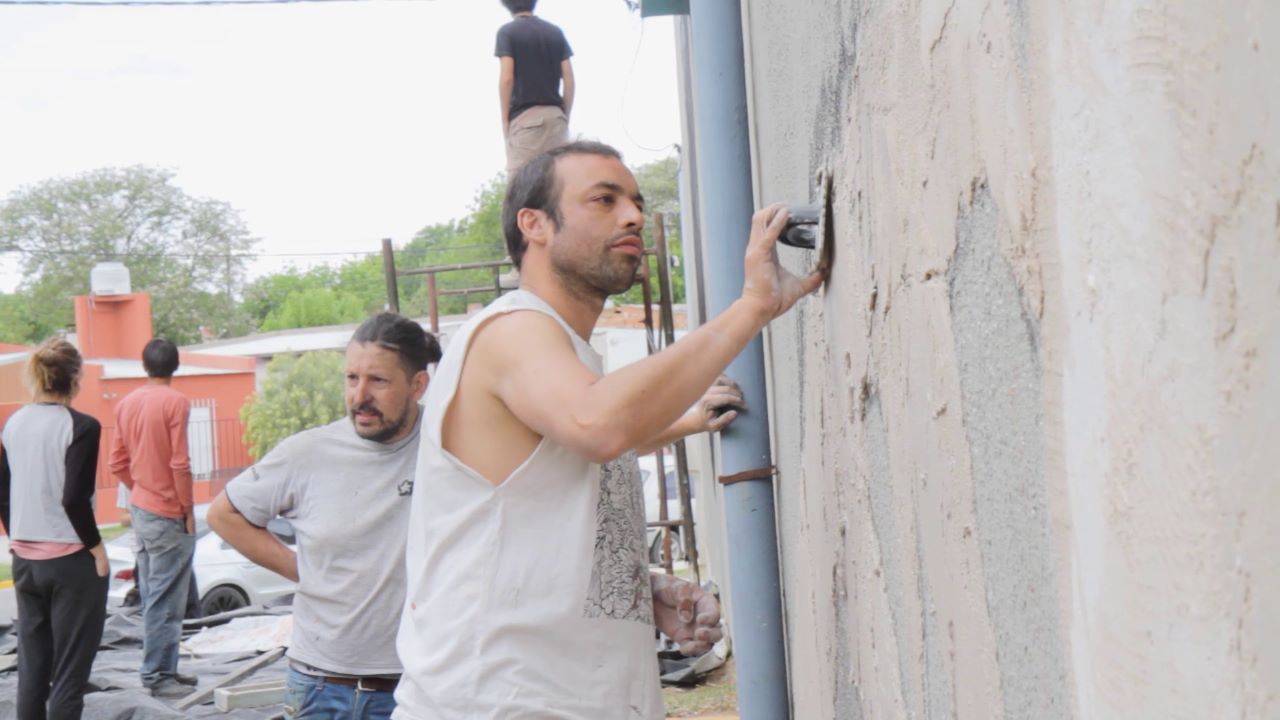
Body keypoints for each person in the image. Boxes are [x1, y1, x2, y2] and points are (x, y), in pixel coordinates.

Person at [392, 141, 824, 718]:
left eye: (637, 202)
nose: (634, 216)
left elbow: (536, 531)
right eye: (604, 199)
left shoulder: (566, 360)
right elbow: (598, 425)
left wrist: (641, 592)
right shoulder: (510, 330)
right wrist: (752, 306)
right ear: (535, 225)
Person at [207, 313, 442, 720]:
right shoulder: (308, 453)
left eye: (378, 381)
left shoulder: (447, 451)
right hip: (319, 688)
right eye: (352, 379)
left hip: (415, 689)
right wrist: (303, 569)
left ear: (418, 385)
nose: (359, 396)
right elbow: (224, 514)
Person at [0, 338, 109, 719]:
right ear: (75, 377)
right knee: (68, 675)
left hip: (25, 562)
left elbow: (3, 491)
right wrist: (97, 548)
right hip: (71, 562)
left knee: (32, 669)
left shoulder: (14, 423)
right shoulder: (83, 427)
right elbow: (74, 498)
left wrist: (18, 535)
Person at [107, 338, 197, 698]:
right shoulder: (177, 402)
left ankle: (164, 668)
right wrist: (185, 509)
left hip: (142, 510)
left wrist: (140, 487)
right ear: (175, 366)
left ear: (145, 366)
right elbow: (180, 463)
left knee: (153, 593)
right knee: (166, 600)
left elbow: (116, 462)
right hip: (166, 513)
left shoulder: (127, 404)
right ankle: (157, 675)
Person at [496, 0, 575, 178]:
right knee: (556, 187)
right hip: (556, 117)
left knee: (520, 188)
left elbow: (507, 78)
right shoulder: (555, 32)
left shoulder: (507, 32)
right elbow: (569, 79)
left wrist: (504, 120)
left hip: (526, 119)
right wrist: (564, 115)